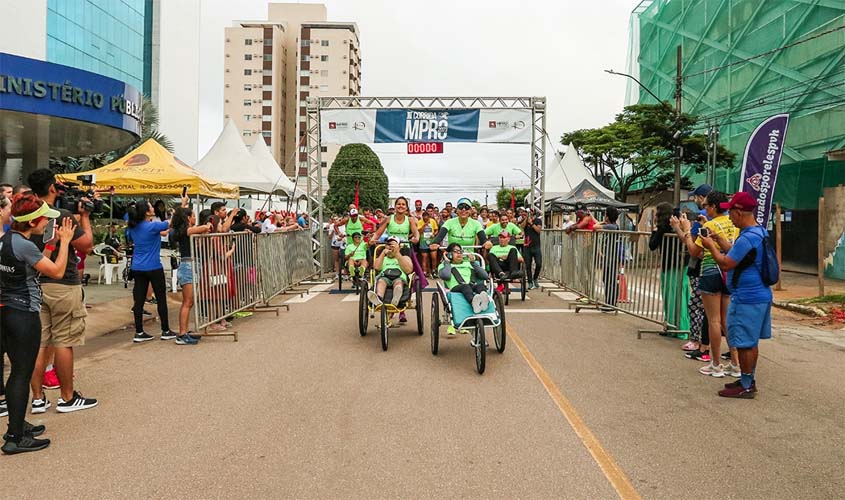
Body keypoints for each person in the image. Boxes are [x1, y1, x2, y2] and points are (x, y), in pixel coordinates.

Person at [1, 195, 74, 454]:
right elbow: (56, 271)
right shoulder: (23, 245)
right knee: (21, 373)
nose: (47, 223)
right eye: (44, 218)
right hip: (24, 314)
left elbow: (33, 264)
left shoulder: (8, 240)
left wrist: (51, 245)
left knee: (17, 373)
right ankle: (14, 437)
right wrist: (64, 242)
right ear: (33, 222)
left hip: (7, 311)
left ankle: (18, 424)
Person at [26, 169, 98, 415]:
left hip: (35, 285)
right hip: (63, 283)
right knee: (64, 342)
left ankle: (37, 398)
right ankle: (67, 398)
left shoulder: (25, 216)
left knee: (39, 342)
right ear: (53, 189)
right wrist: (85, 217)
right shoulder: (61, 216)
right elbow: (86, 245)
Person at [704, 192, 772, 398]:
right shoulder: (758, 233)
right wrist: (721, 241)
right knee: (751, 341)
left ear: (740, 212)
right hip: (759, 295)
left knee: (743, 342)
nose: (729, 215)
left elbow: (727, 262)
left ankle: (747, 385)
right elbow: (738, 253)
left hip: (747, 298)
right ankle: (746, 379)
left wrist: (711, 247)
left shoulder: (747, 237)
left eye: (731, 211)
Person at [672, 191, 740, 378]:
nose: (705, 208)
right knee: (726, 320)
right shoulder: (734, 225)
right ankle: (735, 363)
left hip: (710, 271)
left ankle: (716, 364)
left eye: (706, 205)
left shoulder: (709, 225)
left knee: (714, 321)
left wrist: (686, 230)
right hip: (728, 273)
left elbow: (694, 251)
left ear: (713, 207)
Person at [127, 200, 174, 343]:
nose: (153, 207)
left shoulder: (134, 227)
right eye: (151, 206)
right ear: (147, 212)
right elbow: (170, 223)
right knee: (161, 299)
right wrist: (182, 206)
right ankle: (165, 330)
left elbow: (163, 231)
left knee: (139, 301)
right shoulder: (152, 225)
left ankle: (139, 332)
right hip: (153, 266)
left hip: (137, 267)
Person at [170, 202, 213, 345]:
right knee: (187, 302)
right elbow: (199, 228)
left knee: (190, 301)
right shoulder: (185, 230)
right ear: (188, 218)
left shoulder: (186, 231)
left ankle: (185, 330)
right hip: (188, 266)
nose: (195, 218)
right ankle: (182, 334)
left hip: (193, 265)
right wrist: (206, 226)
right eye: (193, 216)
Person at [649, 203, 691, 336]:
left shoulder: (663, 227)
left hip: (670, 265)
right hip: (683, 264)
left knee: (671, 296)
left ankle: (673, 327)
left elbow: (652, 245)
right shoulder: (679, 224)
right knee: (683, 296)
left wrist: (655, 230)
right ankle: (683, 326)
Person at [438, 243, 491, 316]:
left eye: (460, 251)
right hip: (455, 288)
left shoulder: (469, 264)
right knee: (465, 286)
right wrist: (447, 262)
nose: (459, 254)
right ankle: (473, 302)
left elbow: (485, 276)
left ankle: (484, 301)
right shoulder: (444, 265)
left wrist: (473, 263)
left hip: (471, 286)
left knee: (480, 286)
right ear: (449, 254)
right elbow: (446, 276)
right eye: (455, 252)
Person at [367, 237, 413, 307]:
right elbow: (376, 267)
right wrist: (383, 253)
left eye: (393, 245)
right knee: (381, 281)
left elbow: (408, 270)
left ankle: (396, 298)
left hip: (399, 277)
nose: (391, 247)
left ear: (399, 247)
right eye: (388, 245)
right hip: (384, 277)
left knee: (398, 283)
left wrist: (397, 253)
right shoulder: (382, 258)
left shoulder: (404, 258)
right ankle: (379, 298)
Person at [595, 207, 622, 307]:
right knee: (606, 279)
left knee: (610, 280)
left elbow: (595, 226)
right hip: (609, 257)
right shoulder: (611, 226)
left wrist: (603, 222)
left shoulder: (612, 227)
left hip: (612, 258)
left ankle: (610, 303)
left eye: (605, 214)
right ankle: (609, 302)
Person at [521, 207, 543, 290]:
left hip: (536, 245)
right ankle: (530, 282)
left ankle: (535, 278)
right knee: (528, 265)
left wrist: (532, 224)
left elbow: (538, 230)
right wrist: (526, 220)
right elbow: (522, 227)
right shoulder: (525, 220)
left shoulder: (538, 220)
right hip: (527, 246)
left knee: (539, 263)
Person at [417, 210, 438, 277]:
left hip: (432, 241)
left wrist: (434, 234)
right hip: (423, 241)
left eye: (427, 218)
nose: (426, 219)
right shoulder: (420, 222)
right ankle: (424, 272)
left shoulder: (433, 221)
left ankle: (434, 271)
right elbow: (419, 232)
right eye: (424, 218)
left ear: (429, 217)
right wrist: (424, 225)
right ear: (422, 217)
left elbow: (436, 230)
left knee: (434, 257)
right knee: (424, 257)